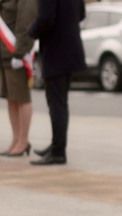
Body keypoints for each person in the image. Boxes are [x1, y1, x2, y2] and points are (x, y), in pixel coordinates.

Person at [28, 0, 85, 165]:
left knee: (56, 104)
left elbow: (46, 18)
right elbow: (81, 14)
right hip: (70, 48)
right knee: (61, 103)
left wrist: (31, 30)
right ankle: (56, 145)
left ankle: (58, 151)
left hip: (55, 50)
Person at [0, 0, 38, 156]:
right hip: (5, 52)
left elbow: (26, 22)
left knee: (21, 97)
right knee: (11, 97)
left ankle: (24, 140)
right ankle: (16, 138)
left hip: (16, 51)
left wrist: (20, 52)